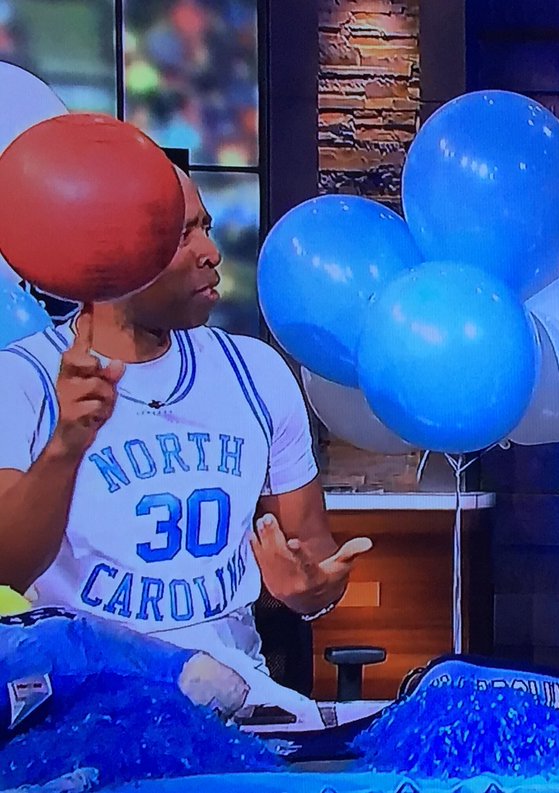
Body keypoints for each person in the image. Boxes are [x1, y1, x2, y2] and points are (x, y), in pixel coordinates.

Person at [0, 166, 372, 723]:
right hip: (86, 716)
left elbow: (314, 559)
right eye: (181, 236)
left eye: (206, 227)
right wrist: (66, 446)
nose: (211, 252)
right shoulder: (23, 380)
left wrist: (310, 590)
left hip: (244, 711)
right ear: (112, 255)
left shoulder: (257, 373)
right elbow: (7, 568)